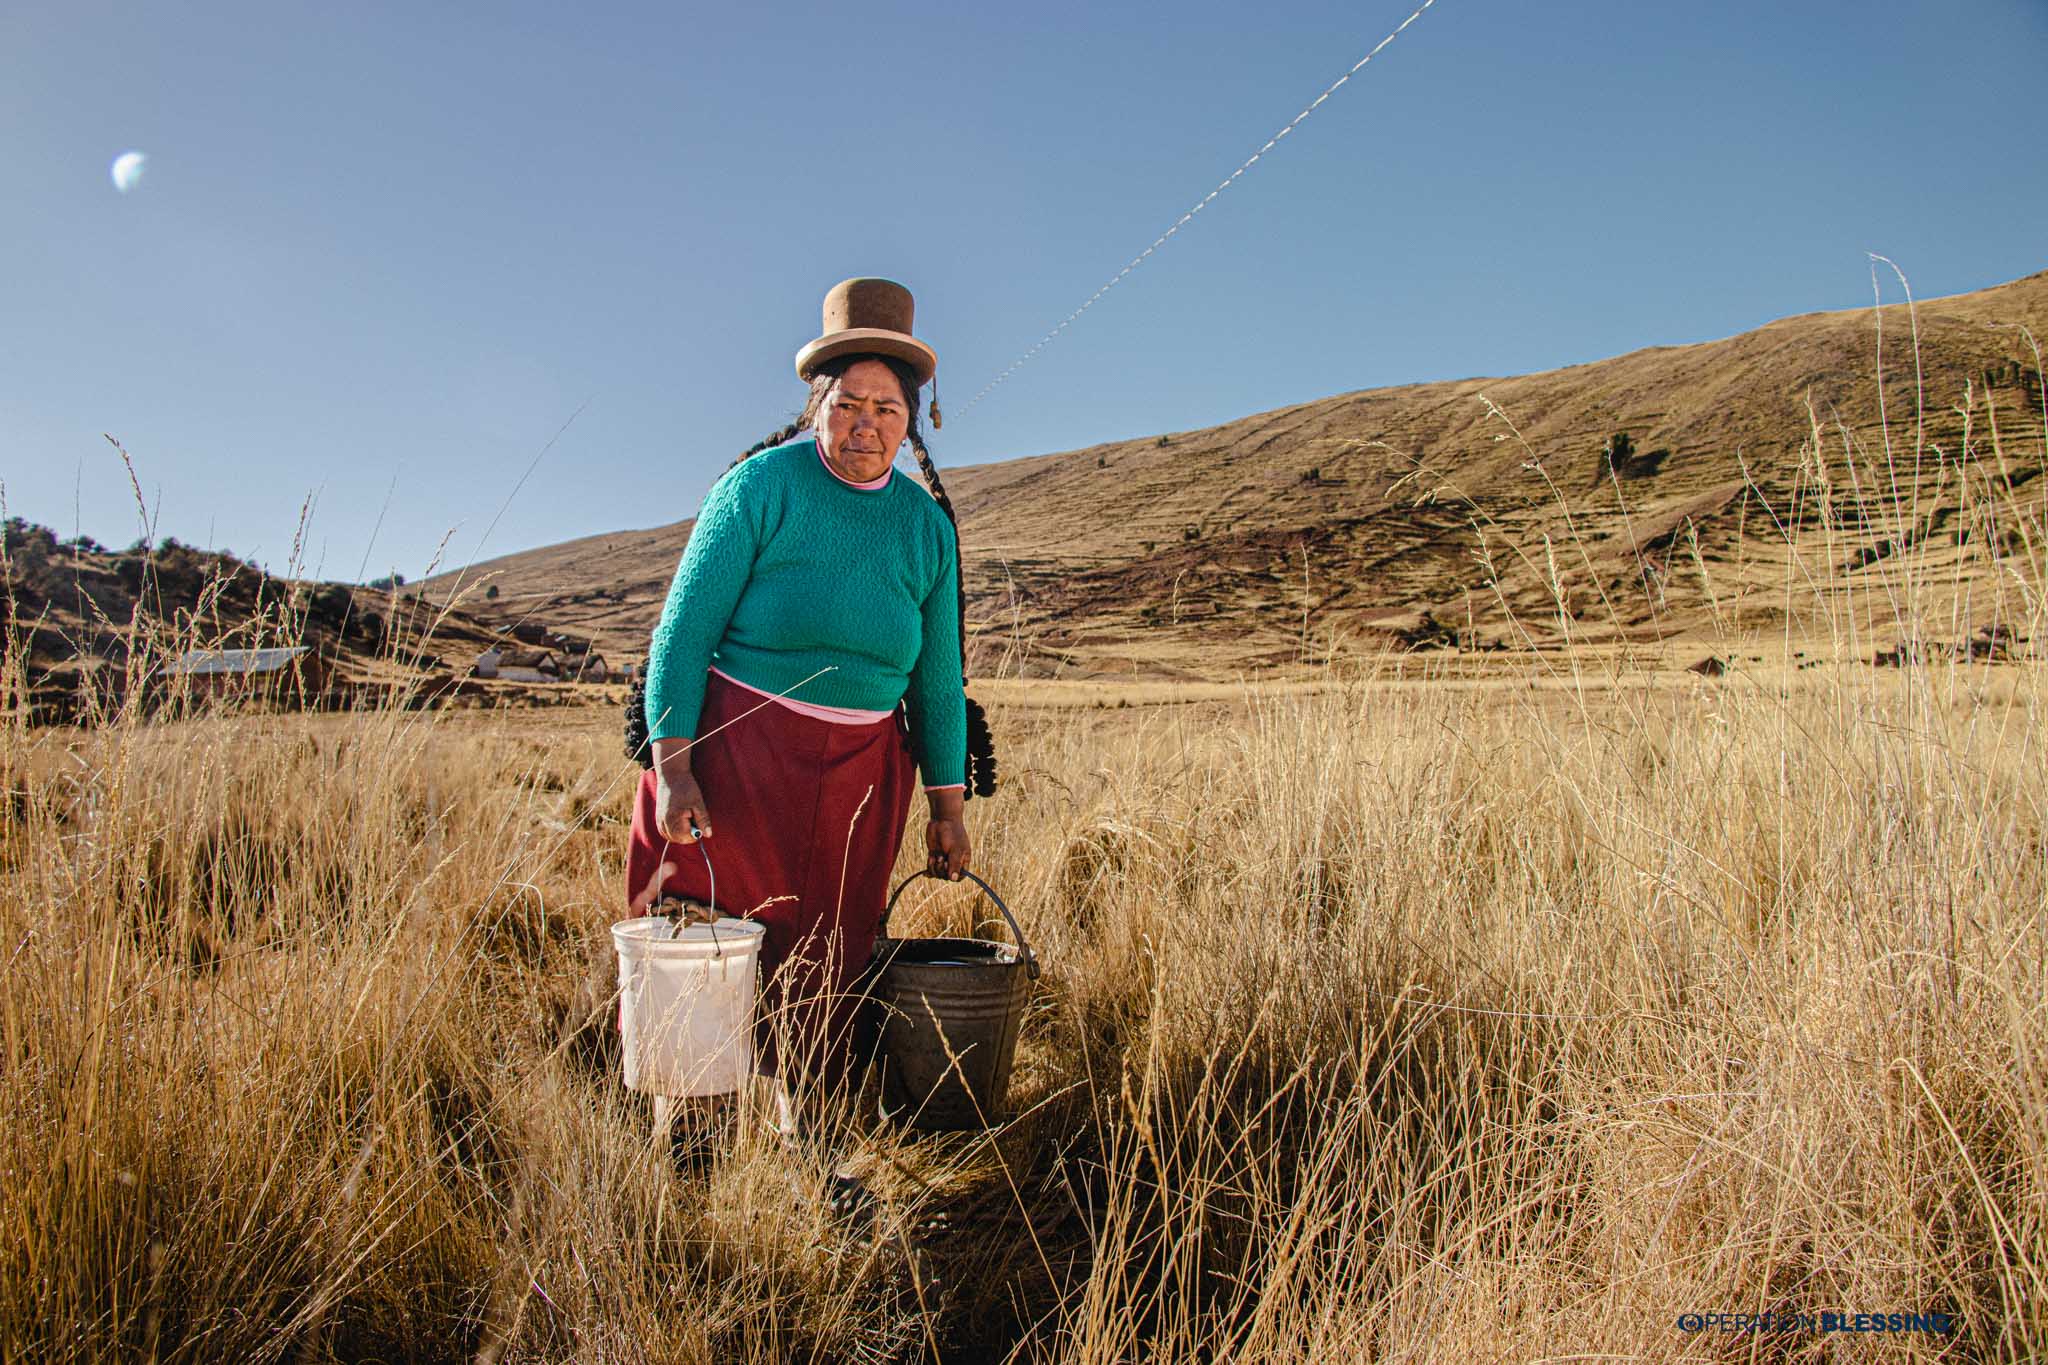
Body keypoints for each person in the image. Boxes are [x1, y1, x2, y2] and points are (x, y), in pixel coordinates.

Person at [624, 277, 991, 1102]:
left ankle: (805, 1122)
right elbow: (681, 635)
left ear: (912, 421)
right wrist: (676, 767)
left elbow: (937, 681)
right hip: (735, 757)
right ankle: (693, 1122)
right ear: (816, 403)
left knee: (829, 945)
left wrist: (948, 808)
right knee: (709, 933)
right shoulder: (757, 490)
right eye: (849, 403)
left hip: (859, 775)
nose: (867, 424)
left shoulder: (926, 529)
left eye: (887, 409)